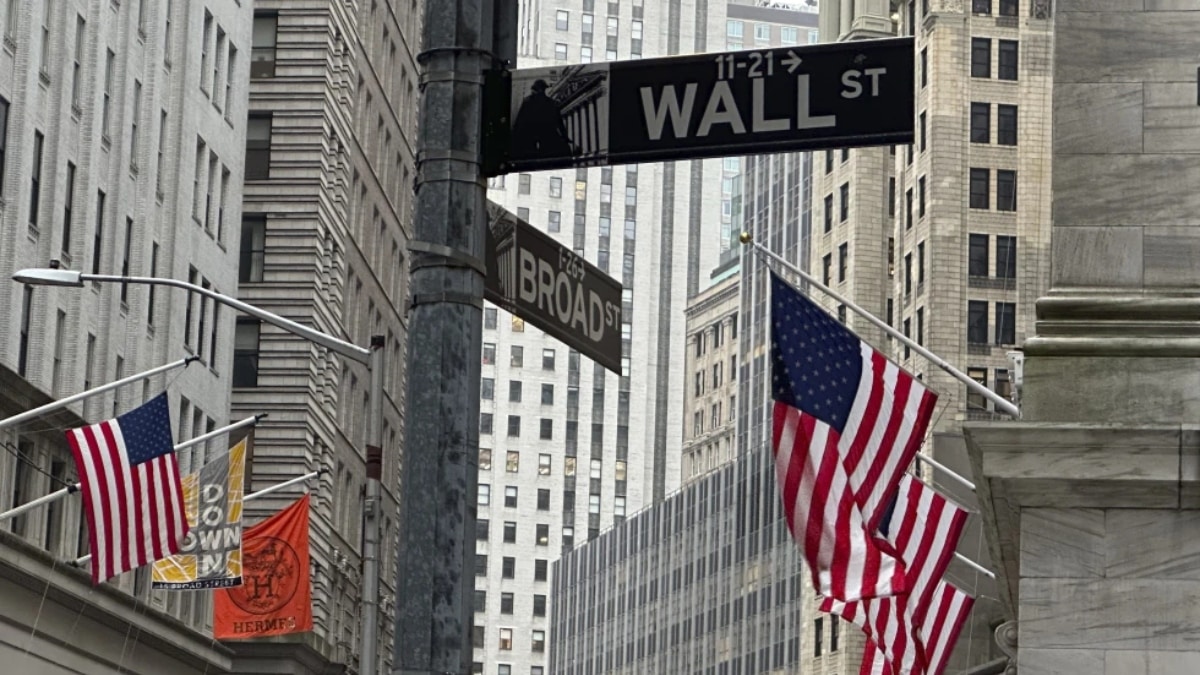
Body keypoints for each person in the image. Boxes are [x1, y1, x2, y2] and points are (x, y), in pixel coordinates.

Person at [511, 79, 575, 160]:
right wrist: (565, 137)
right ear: (544, 89)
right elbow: (559, 123)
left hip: (530, 136)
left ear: (535, 90)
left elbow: (520, 121)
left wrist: (515, 135)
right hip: (547, 136)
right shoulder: (551, 102)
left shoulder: (528, 101)